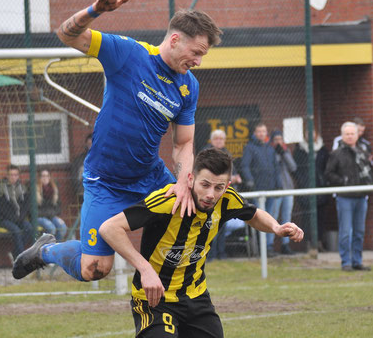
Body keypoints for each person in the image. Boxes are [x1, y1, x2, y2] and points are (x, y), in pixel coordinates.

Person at [12, 0, 223, 282]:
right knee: (95, 269)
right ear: (175, 40)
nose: (199, 61)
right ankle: (45, 251)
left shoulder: (189, 87)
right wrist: (94, 10)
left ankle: (173, 299)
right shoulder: (128, 53)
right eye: (196, 53)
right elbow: (66, 34)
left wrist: (183, 183)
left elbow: (184, 142)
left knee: (190, 215)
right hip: (106, 182)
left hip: (150, 178)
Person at [98, 148, 304, 337]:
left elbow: (253, 214)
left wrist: (276, 227)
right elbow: (109, 228)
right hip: (155, 300)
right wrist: (145, 269)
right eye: (205, 184)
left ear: (227, 186)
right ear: (191, 179)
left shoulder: (226, 199)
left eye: (218, 187)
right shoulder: (168, 201)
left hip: (196, 298)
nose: (210, 194)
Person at [325, 122, 373, 271]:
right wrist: (343, 182)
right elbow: (328, 174)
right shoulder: (336, 154)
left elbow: (369, 172)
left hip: (361, 197)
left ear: (357, 135)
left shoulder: (363, 152)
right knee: (346, 231)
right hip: (345, 197)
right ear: (342, 135)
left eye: (352, 133)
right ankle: (346, 262)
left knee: (359, 231)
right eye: (347, 134)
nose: (350, 136)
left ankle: (357, 261)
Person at [240, 123, 281, 256]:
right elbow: (244, 166)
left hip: (271, 189)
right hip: (258, 190)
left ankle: (268, 247)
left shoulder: (270, 149)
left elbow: (276, 168)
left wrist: (278, 184)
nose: (262, 134)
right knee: (260, 219)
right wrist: (250, 180)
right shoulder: (250, 148)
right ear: (255, 133)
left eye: (264, 131)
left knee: (272, 219)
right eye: (259, 131)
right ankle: (261, 248)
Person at [203, 129, 242, 260]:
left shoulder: (227, 153)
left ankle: (221, 252)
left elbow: (232, 173)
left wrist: (235, 178)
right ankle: (210, 254)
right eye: (216, 139)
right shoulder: (206, 153)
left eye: (221, 139)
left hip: (224, 194)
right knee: (210, 224)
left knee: (223, 223)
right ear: (212, 140)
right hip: (211, 194)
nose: (219, 141)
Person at [293, 128, 330, 251]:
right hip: (305, 188)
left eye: (313, 132)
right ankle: (308, 243)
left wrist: (324, 180)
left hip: (320, 186)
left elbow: (327, 167)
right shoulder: (300, 150)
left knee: (321, 216)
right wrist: (302, 180)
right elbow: (295, 169)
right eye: (308, 133)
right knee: (307, 217)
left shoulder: (323, 150)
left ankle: (319, 241)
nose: (310, 135)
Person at [0, 165, 34, 259]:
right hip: (3, 219)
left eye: (16, 175)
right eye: (11, 175)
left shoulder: (23, 188)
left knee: (29, 228)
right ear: (7, 175)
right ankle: (21, 259)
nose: (13, 177)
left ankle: (15, 253)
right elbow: (2, 207)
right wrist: (14, 219)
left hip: (19, 218)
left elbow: (26, 206)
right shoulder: (1, 188)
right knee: (16, 230)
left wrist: (20, 218)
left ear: (18, 175)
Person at [269, 130, 297, 255]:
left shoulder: (286, 151)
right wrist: (276, 153)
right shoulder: (269, 152)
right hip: (276, 188)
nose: (278, 142)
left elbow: (293, 167)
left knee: (287, 217)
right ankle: (269, 245)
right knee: (272, 217)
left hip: (287, 187)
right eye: (276, 140)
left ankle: (285, 245)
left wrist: (284, 153)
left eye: (280, 139)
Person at [36, 169, 67, 241]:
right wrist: (50, 213)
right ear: (39, 178)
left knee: (63, 227)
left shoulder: (54, 189)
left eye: (47, 176)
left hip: (51, 215)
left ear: (50, 177)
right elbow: (34, 210)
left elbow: (58, 208)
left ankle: (55, 247)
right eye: (43, 176)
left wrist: (54, 215)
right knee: (51, 228)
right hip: (39, 217)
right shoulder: (34, 190)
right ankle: (46, 249)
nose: (45, 178)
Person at [70, 133, 92, 200]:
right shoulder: (79, 160)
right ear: (86, 144)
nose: (91, 146)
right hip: (84, 191)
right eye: (89, 144)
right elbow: (74, 180)